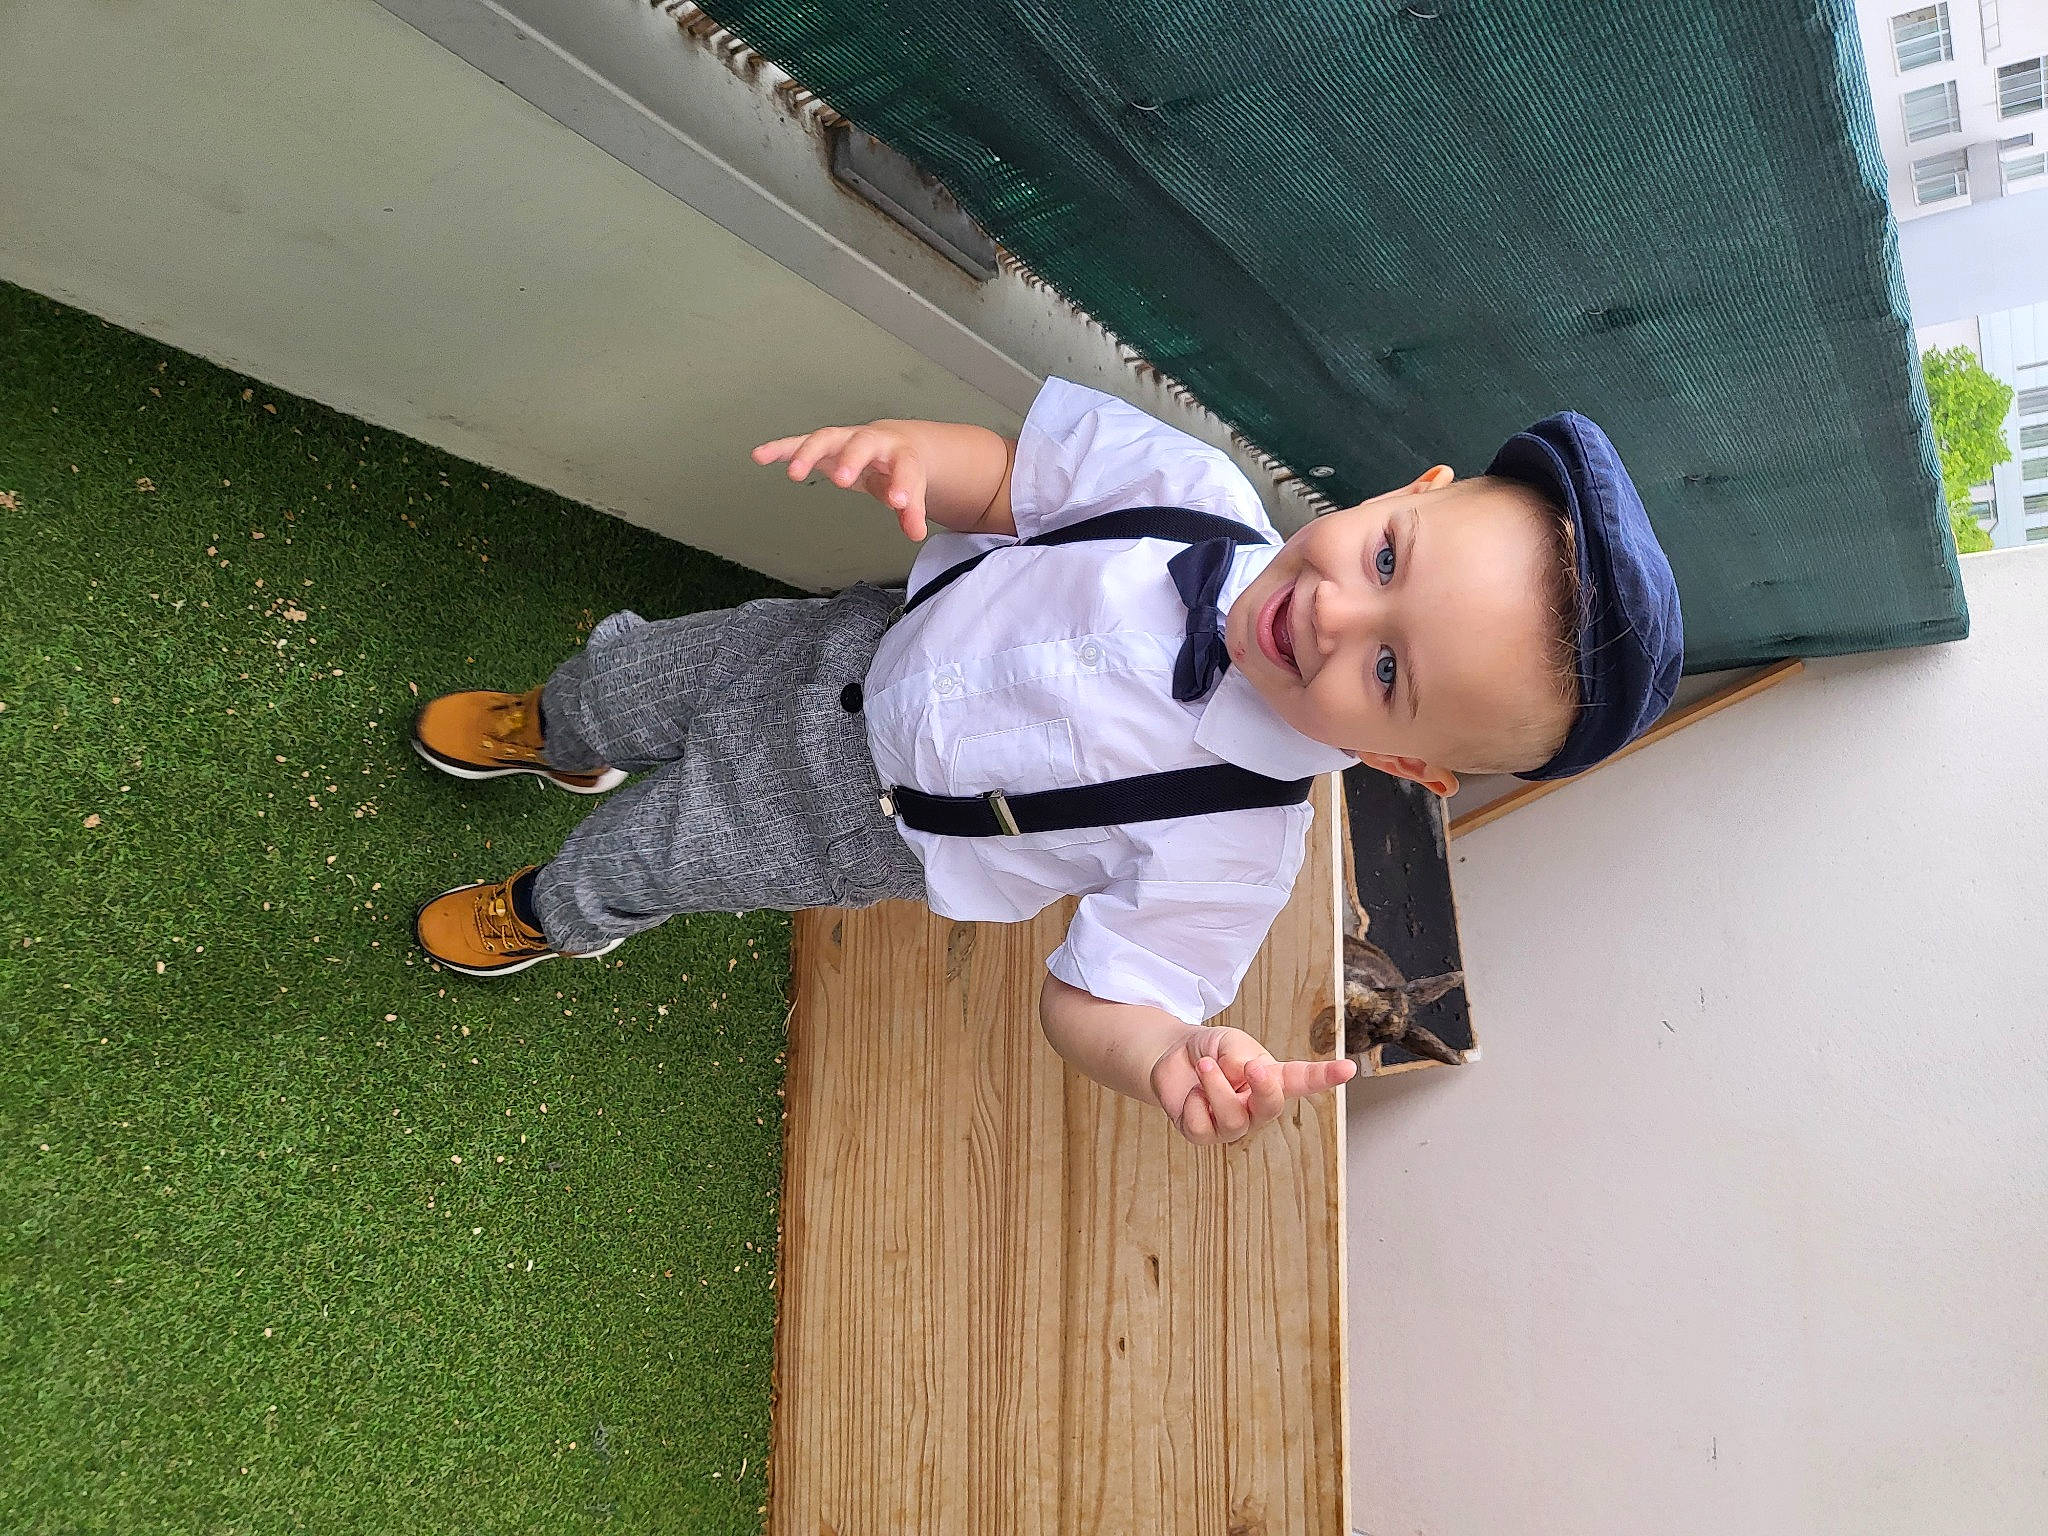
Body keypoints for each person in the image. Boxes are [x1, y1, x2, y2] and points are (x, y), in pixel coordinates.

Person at [411, 378, 1681, 1145]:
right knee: (632, 679)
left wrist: (1160, 1057)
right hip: (841, 635)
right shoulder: (1190, 488)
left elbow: (1092, 1001)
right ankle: (560, 732)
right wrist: (919, 453)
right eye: (1389, 558)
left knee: (653, 853)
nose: (1338, 615)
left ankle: (558, 911)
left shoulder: (1235, 848)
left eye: (1390, 674)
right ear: (1408, 487)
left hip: (850, 817)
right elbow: (1014, 484)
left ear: (1404, 770)